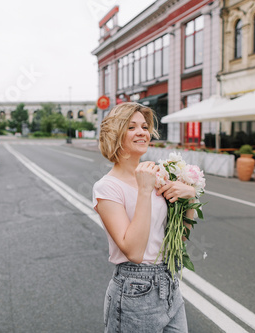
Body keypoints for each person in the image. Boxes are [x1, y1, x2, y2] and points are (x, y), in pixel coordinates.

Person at [92, 102, 196, 333]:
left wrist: (190, 198)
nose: (142, 132)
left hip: (168, 284)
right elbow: (134, 251)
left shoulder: (157, 176)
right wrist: (144, 190)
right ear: (116, 135)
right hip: (134, 291)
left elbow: (178, 242)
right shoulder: (107, 188)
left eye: (144, 126)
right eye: (131, 127)